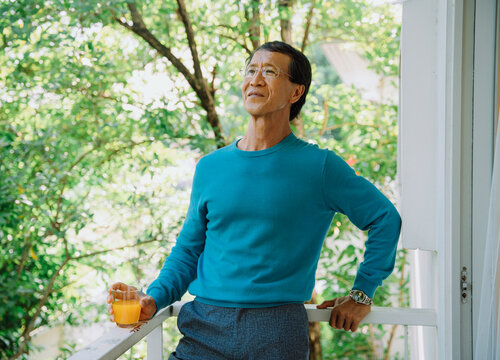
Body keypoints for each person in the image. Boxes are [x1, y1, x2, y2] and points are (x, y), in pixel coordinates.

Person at [108, 41, 401, 359]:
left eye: (270, 71)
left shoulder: (320, 166)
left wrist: (361, 293)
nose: (256, 79)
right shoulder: (210, 167)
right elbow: (188, 251)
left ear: (295, 92)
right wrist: (153, 299)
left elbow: (385, 218)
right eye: (251, 70)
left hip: (277, 333)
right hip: (203, 329)